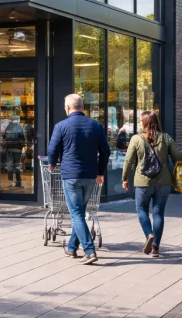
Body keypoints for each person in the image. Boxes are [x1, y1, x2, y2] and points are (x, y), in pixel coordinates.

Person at [47, 94, 110, 265]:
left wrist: (52, 164)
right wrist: (100, 172)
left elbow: (52, 150)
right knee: (80, 213)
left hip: (71, 176)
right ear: (83, 107)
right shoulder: (96, 126)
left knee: (76, 214)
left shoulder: (61, 126)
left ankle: (89, 251)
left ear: (67, 108)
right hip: (90, 176)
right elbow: (106, 151)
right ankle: (71, 248)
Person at [122, 111, 182, 258]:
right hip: (163, 181)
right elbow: (178, 156)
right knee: (158, 213)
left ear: (144, 123)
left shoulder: (136, 139)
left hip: (143, 182)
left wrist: (124, 179)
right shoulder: (166, 137)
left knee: (141, 209)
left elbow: (128, 161)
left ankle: (149, 234)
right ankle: (155, 248)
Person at [3, 117, 25, 187]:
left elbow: (4, 136)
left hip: (9, 148)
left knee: (10, 165)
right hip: (17, 148)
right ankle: (18, 182)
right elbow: (22, 137)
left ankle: (11, 181)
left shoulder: (8, 127)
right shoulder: (19, 127)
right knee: (17, 165)